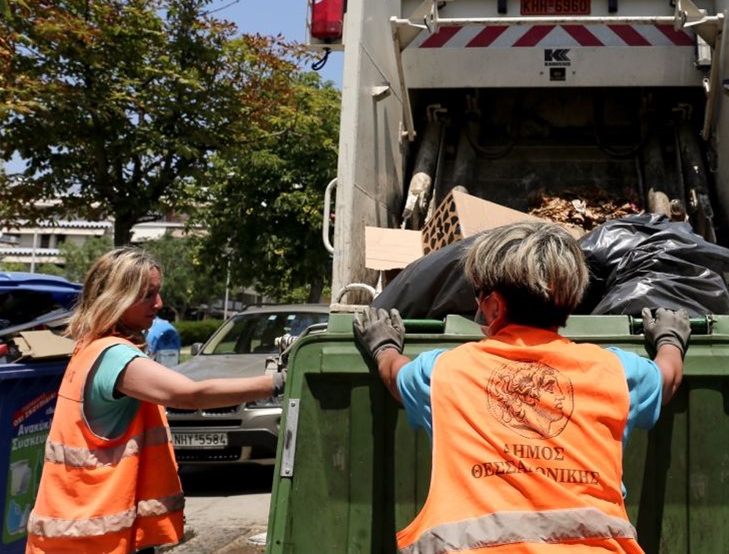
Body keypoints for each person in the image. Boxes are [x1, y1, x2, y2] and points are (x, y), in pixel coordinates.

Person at [354, 221, 689, 553]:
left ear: (495, 306)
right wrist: (670, 338)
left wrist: (384, 346)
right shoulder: (615, 372)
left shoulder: (443, 373)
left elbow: (395, 375)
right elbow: (668, 377)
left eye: (479, 296)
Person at [26, 247, 285, 554]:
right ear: (116, 297)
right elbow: (189, 394)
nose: (159, 304)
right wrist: (277, 382)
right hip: (95, 538)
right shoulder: (114, 356)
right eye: (148, 295)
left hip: (79, 530)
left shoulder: (90, 347)